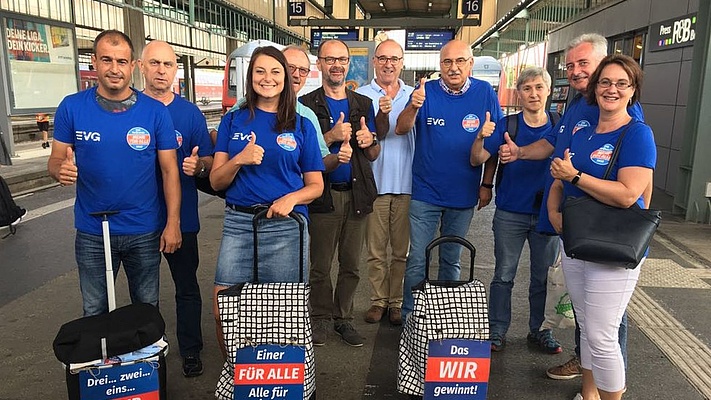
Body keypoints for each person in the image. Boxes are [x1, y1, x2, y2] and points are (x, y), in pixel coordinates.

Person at [498, 33, 646, 383]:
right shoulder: (579, 107)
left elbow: (638, 183)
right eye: (571, 65)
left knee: (607, 323)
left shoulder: (623, 114)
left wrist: (633, 220)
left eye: (584, 63)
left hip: (607, 230)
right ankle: (588, 372)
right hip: (575, 225)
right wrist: (523, 158)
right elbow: (554, 149)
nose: (577, 71)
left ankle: (606, 378)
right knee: (585, 311)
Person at [47, 30, 182, 317]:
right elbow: (55, 159)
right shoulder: (72, 107)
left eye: (122, 62)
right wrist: (61, 170)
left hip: (143, 229)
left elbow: (170, 171)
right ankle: (99, 362)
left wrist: (173, 222)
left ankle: (150, 363)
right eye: (106, 60)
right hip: (92, 230)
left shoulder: (156, 112)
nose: (114, 69)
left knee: (146, 309)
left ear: (133, 66)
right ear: (94, 61)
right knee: (94, 310)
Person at [548, 54, 655, 400]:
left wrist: (577, 176)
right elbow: (560, 178)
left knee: (602, 334)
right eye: (606, 82)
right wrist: (554, 212)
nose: (612, 89)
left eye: (622, 83)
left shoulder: (638, 134)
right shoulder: (584, 131)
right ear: (595, 89)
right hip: (576, 240)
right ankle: (589, 394)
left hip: (613, 248)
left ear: (633, 90)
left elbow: (629, 195)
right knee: (586, 325)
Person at [210, 45, 324, 359]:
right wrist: (239, 160)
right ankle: (238, 379)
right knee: (224, 308)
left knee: (283, 317)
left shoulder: (301, 125)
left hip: (285, 227)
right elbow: (216, 180)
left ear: (286, 79)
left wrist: (292, 198)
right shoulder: (234, 121)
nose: (267, 78)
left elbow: (316, 185)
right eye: (260, 71)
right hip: (239, 225)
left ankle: (279, 384)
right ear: (251, 77)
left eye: (275, 72)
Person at [395, 39, 502, 322]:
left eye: (459, 61)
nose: (453, 68)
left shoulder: (485, 93)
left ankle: (443, 315)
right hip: (425, 192)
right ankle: (412, 316)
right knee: (418, 257)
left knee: (451, 259)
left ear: (470, 63)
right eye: (447, 62)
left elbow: (492, 147)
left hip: (463, 193)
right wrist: (414, 107)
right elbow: (401, 128)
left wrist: (487, 184)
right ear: (439, 65)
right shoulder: (425, 91)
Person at [470, 67, 561, 353]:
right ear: (518, 93)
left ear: (548, 91)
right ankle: (497, 330)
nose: (533, 94)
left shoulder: (559, 125)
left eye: (538, 87)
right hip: (511, 211)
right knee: (503, 275)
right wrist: (480, 138)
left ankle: (540, 330)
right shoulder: (507, 125)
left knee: (542, 277)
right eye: (527, 88)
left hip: (547, 213)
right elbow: (480, 158)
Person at [138, 40, 214, 377]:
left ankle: (191, 350)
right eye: (154, 63)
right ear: (141, 67)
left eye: (167, 65)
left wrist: (199, 166)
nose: (160, 70)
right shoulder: (130, 108)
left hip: (182, 218)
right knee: (144, 293)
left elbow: (210, 159)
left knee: (186, 287)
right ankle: (145, 353)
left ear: (175, 71)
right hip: (137, 219)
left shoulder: (189, 113)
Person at [299, 39, 380, 347]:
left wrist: (368, 140)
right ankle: (319, 319)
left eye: (341, 60)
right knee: (320, 265)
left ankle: (343, 319)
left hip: (358, 194)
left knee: (351, 265)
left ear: (349, 64)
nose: (336, 65)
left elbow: (373, 154)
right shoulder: (306, 105)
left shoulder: (363, 104)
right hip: (323, 195)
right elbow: (302, 155)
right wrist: (331, 136)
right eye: (329, 59)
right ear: (319, 63)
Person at [355, 39, 414, 326]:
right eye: (383, 58)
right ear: (374, 62)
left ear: (402, 62)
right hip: (374, 185)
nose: (388, 63)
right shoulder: (362, 96)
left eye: (394, 58)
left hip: (407, 185)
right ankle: (378, 300)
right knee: (376, 251)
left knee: (401, 251)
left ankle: (397, 301)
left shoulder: (414, 96)